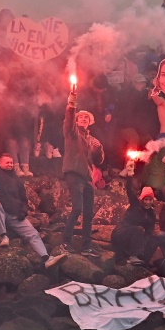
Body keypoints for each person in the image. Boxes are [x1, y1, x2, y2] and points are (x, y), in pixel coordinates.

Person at [0, 130, 66, 269]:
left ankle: (46, 258)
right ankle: (4, 236)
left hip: (15, 216)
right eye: (7, 162)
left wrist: (23, 211)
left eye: (11, 162)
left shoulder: (17, 180)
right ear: (0, 164)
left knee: (33, 234)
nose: (9, 164)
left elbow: (23, 199)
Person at [62, 87, 104, 257]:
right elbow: (69, 121)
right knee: (77, 208)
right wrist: (72, 105)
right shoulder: (72, 134)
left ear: (90, 122)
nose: (83, 119)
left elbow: (99, 161)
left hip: (87, 177)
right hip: (73, 173)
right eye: (81, 117)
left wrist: (98, 149)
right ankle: (66, 241)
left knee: (88, 212)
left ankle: (86, 246)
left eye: (86, 117)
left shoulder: (93, 140)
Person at [110, 174, 165, 269]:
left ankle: (143, 261)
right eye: (146, 199)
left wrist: (144, 246)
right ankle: (133, 257)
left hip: (137, 238)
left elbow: (149, 232)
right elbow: (129, 191)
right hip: (121, 233)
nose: (147, 202)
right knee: (139, 230)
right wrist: (128, 177)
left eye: (150, 200)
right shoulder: (135, 205)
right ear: (142, 200)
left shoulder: (151, 214)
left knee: (155, 239)